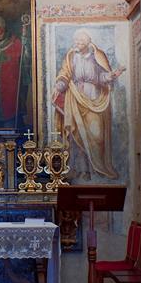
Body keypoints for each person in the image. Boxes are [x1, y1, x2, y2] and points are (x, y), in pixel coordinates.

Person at [53, 29, 125, 179]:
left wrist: (111, 75)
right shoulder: (71, 57)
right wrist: (59, 86)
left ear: (87, 43)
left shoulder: (97, 57)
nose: (77, 44)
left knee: (96, 135)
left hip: (93, 99)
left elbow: (101, 76)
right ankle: (81, 170)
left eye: (80, 42)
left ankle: (96, 168)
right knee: (76, 136)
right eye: (76, 41)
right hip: (75, 99)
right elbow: (64, 74)